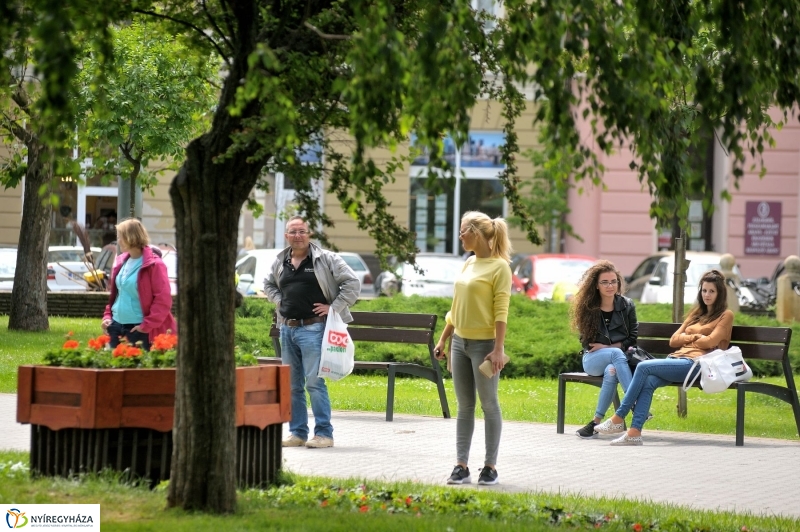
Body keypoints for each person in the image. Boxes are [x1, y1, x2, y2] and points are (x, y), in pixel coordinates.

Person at [595, 269, 734, 445]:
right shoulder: (696, 314)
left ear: (719, 294)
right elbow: (674, 340)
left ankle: (618, 417)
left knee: (643, 367)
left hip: (697, 365)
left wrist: (695, 340)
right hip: (676, 360)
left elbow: (711, 342)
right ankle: (634, 432)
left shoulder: (725, 315)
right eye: (704, 290)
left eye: (711, 291)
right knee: (648, 381)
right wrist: (696, 338)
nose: (707, 295)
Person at [264, 215, 360, 449]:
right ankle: (297, 433)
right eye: (293, 232)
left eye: (302, 231)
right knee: (293, 385)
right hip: (287, 329)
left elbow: (352, 283)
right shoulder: (281, 261)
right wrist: (280, 301)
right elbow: (268, 285)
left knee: (314, 383)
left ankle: (324, 434)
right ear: (286, 236)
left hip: (314, 328)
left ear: (309, 234)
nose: (298, 236)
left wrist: (333, 307)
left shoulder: (326, 259)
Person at [434, 211, 512, 486]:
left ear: (475, 233)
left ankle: (490, 466)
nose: (460, 236)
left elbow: (501, 310)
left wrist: (499, 349)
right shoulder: (468, 263)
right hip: (459, 343)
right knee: (465, 405)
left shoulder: (500, 267)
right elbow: (456, 307)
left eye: (463, 231)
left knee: (489, 404)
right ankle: (461, 465)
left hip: (485, 347)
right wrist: (444, 338)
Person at [569, 260, 639, 439]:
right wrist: (611, 349)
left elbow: (632, 338)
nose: (610, 286)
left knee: (612, 371)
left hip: (617, 361)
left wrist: (607, 347)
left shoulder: (627, 305)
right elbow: (587, 343)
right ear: (596, 286)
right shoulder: (588, 307)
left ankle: (595, 424)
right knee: (615, 355)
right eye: (605, 282)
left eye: (613, 281)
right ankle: (635, 405)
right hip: (592, 360)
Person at [102, 219, 176, 351]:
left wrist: (146, 325)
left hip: (138, 329)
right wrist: (107, 317)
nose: (118, 241)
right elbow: (117, 295)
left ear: (132, 237)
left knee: (136, 370)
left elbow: (163, 300)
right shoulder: (121, 262)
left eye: (121, 237)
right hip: (116, 325)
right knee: (110, 368)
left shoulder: (155, 265)